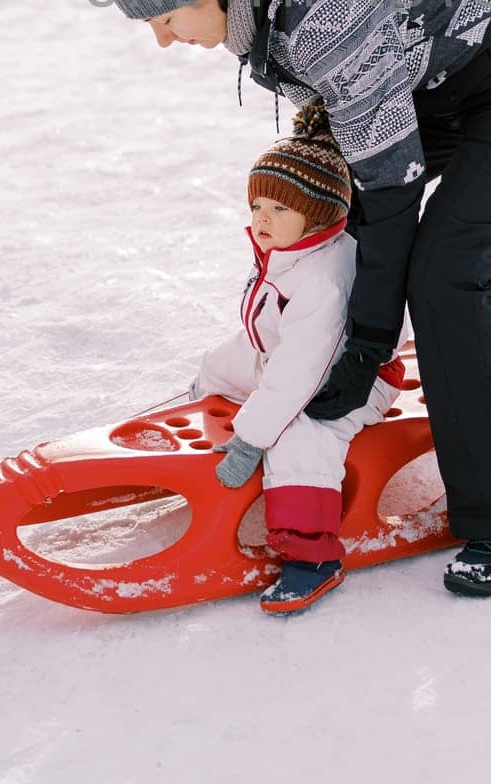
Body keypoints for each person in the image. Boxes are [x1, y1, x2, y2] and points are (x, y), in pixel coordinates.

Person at [104, 0, 491, 598]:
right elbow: (356, 147)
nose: (161, 38)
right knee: (347, 235)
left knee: (446, 276)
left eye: (165, 15)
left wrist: (366, 347)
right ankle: (313, 379)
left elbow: (391, 188)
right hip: (441, 81)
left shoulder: (321, 7)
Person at [192, 100, 404, 615]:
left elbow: (300, 377)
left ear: (320, 213)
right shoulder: (291, 248)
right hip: (286, 358)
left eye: (279, 209)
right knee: (217, 365)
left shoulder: (326, 279)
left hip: (347, 382)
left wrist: (252, 439)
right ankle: (187, 444)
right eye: (257, 206)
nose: (262, 219)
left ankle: (311, 556)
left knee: (301, 434)